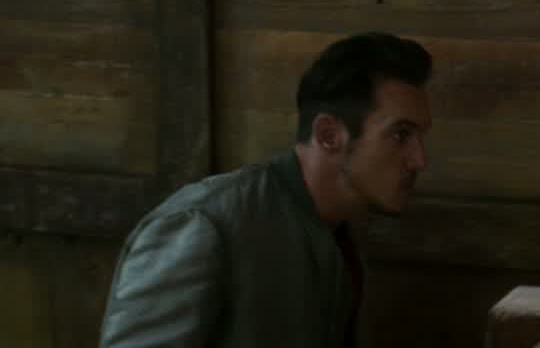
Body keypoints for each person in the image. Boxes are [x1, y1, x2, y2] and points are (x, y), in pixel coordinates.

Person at [99, 32, 435, 348]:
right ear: (328, 135)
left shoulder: (341, 237)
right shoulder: (204, 225)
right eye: (400, 135)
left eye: (420, 137)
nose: (419, 159)